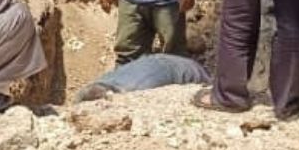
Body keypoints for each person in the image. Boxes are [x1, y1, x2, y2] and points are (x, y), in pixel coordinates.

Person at [76, 53, 210, 102]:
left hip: (169, 67)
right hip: (166, 66)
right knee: (121, 85)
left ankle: (104, 89)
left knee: (125, 87)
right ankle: (104, 89)